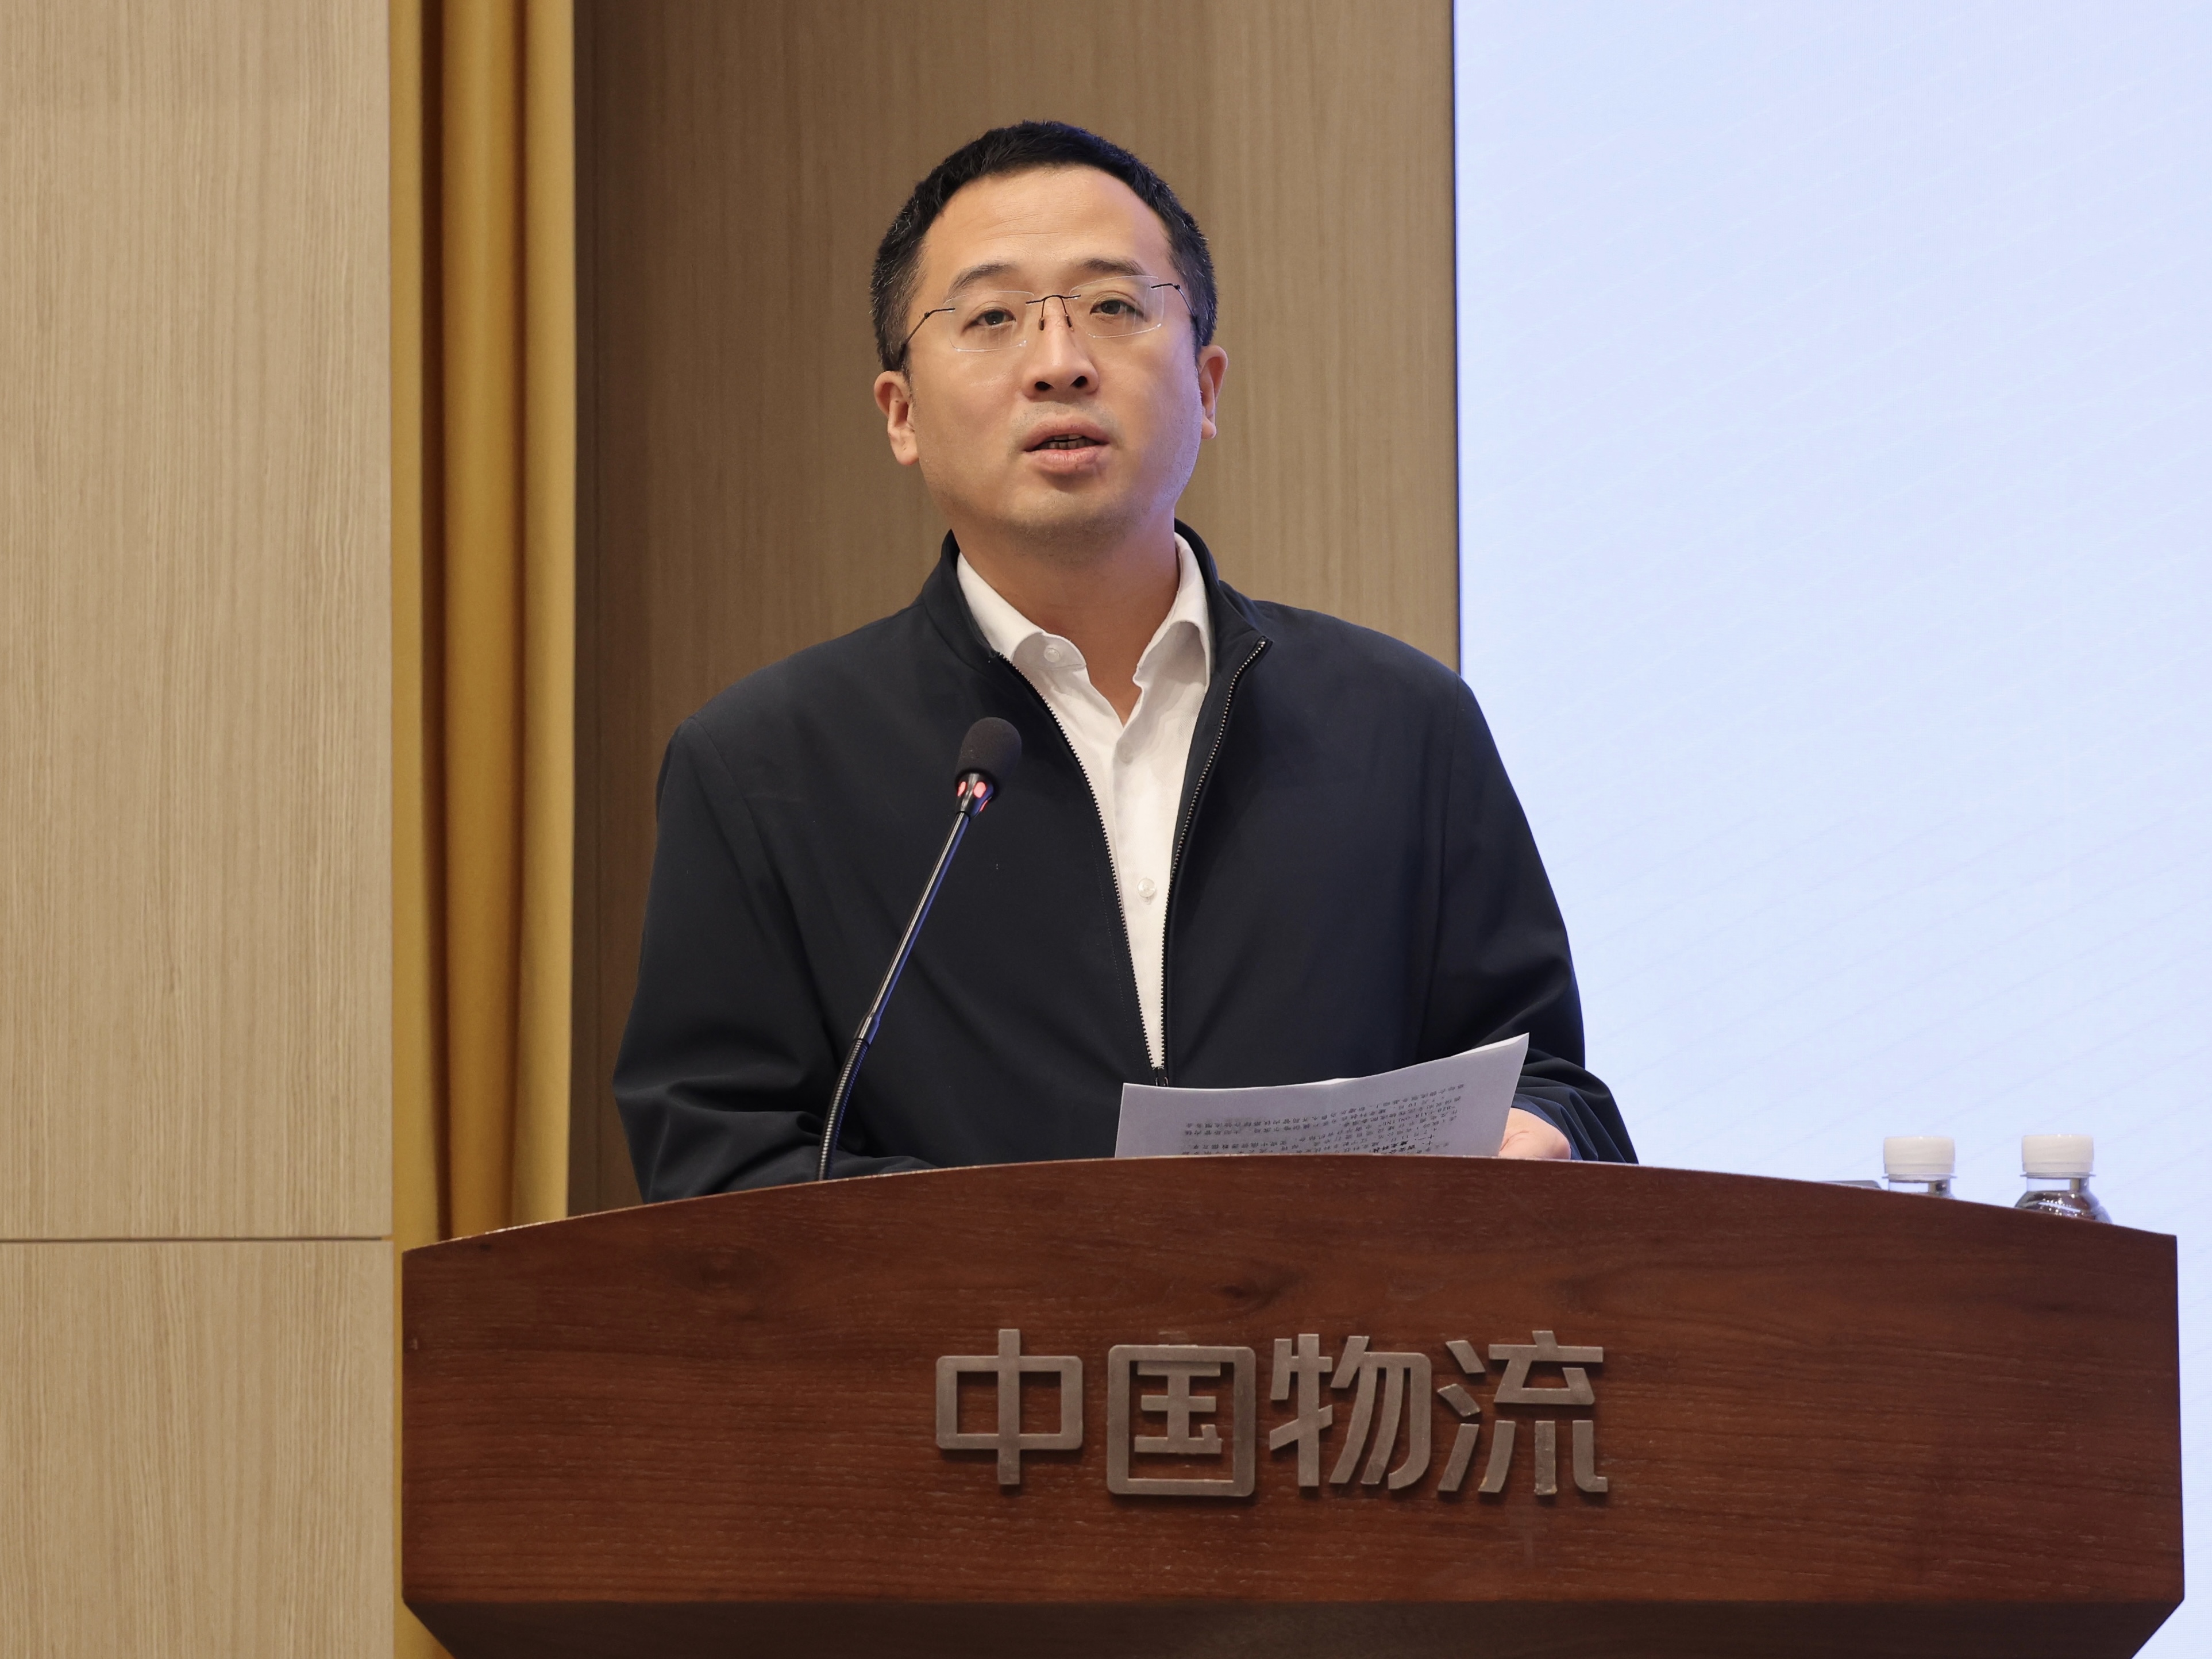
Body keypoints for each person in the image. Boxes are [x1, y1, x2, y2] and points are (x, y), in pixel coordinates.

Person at [615, 121, 1635, 1196]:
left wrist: (1541, 1133)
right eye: (992, 317)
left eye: (1112, 307)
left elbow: (1551, 1083)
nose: (1059, 363)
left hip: (1345, 1313)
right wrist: (1051, 1262)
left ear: (1206, 386)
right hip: (967, 1318)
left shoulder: (1402, 722)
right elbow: (720, 1161)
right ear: (901, 414)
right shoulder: (763, 767)